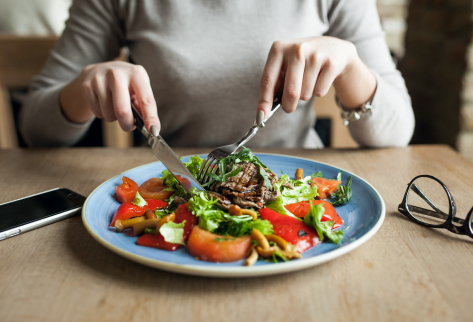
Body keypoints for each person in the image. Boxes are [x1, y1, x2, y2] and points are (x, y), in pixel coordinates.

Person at [19, 0, 415, 148]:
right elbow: (35, 127)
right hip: (169, 194)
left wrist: (350, 67)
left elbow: (398, 131)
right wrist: (84, 88)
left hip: (299, 192)